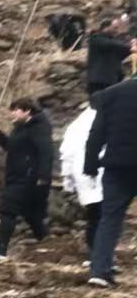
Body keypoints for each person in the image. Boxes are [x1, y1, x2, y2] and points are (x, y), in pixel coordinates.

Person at [84, 52, 137, 288]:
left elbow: (97, 133)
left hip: (117, 167)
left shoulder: (111, 94)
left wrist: (90, 165)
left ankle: (99, 271)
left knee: (109, 219)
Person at [0, 98, 53, 261]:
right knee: (30, 213)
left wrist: (43, 177)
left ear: (27, 111)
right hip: (16, 175)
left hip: (28, 176)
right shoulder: (20, 127)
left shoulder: (39, 128)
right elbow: (12, 147)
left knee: (8, 209)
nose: (12, 113)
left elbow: (46, 153)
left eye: (16, 110)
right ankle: (46, 240)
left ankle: (0, 249)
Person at [59, 97, 103, 264]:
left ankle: (95, 254)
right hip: (99, 174)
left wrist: (68, 180)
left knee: (94, 216)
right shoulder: (105, 118)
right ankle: (100, 256)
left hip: (83, 176)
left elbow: (66, 154)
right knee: (103, 217)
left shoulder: (76, 125)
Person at [86, 14, 131, 94]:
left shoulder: (115, 43)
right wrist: (130, 46)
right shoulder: (95, 38)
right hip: (98, 81)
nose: (116, 31)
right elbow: (111, 44)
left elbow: (124, 52)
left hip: (112, 81)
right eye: (114, 28)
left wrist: (132, 47)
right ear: (106, 27)